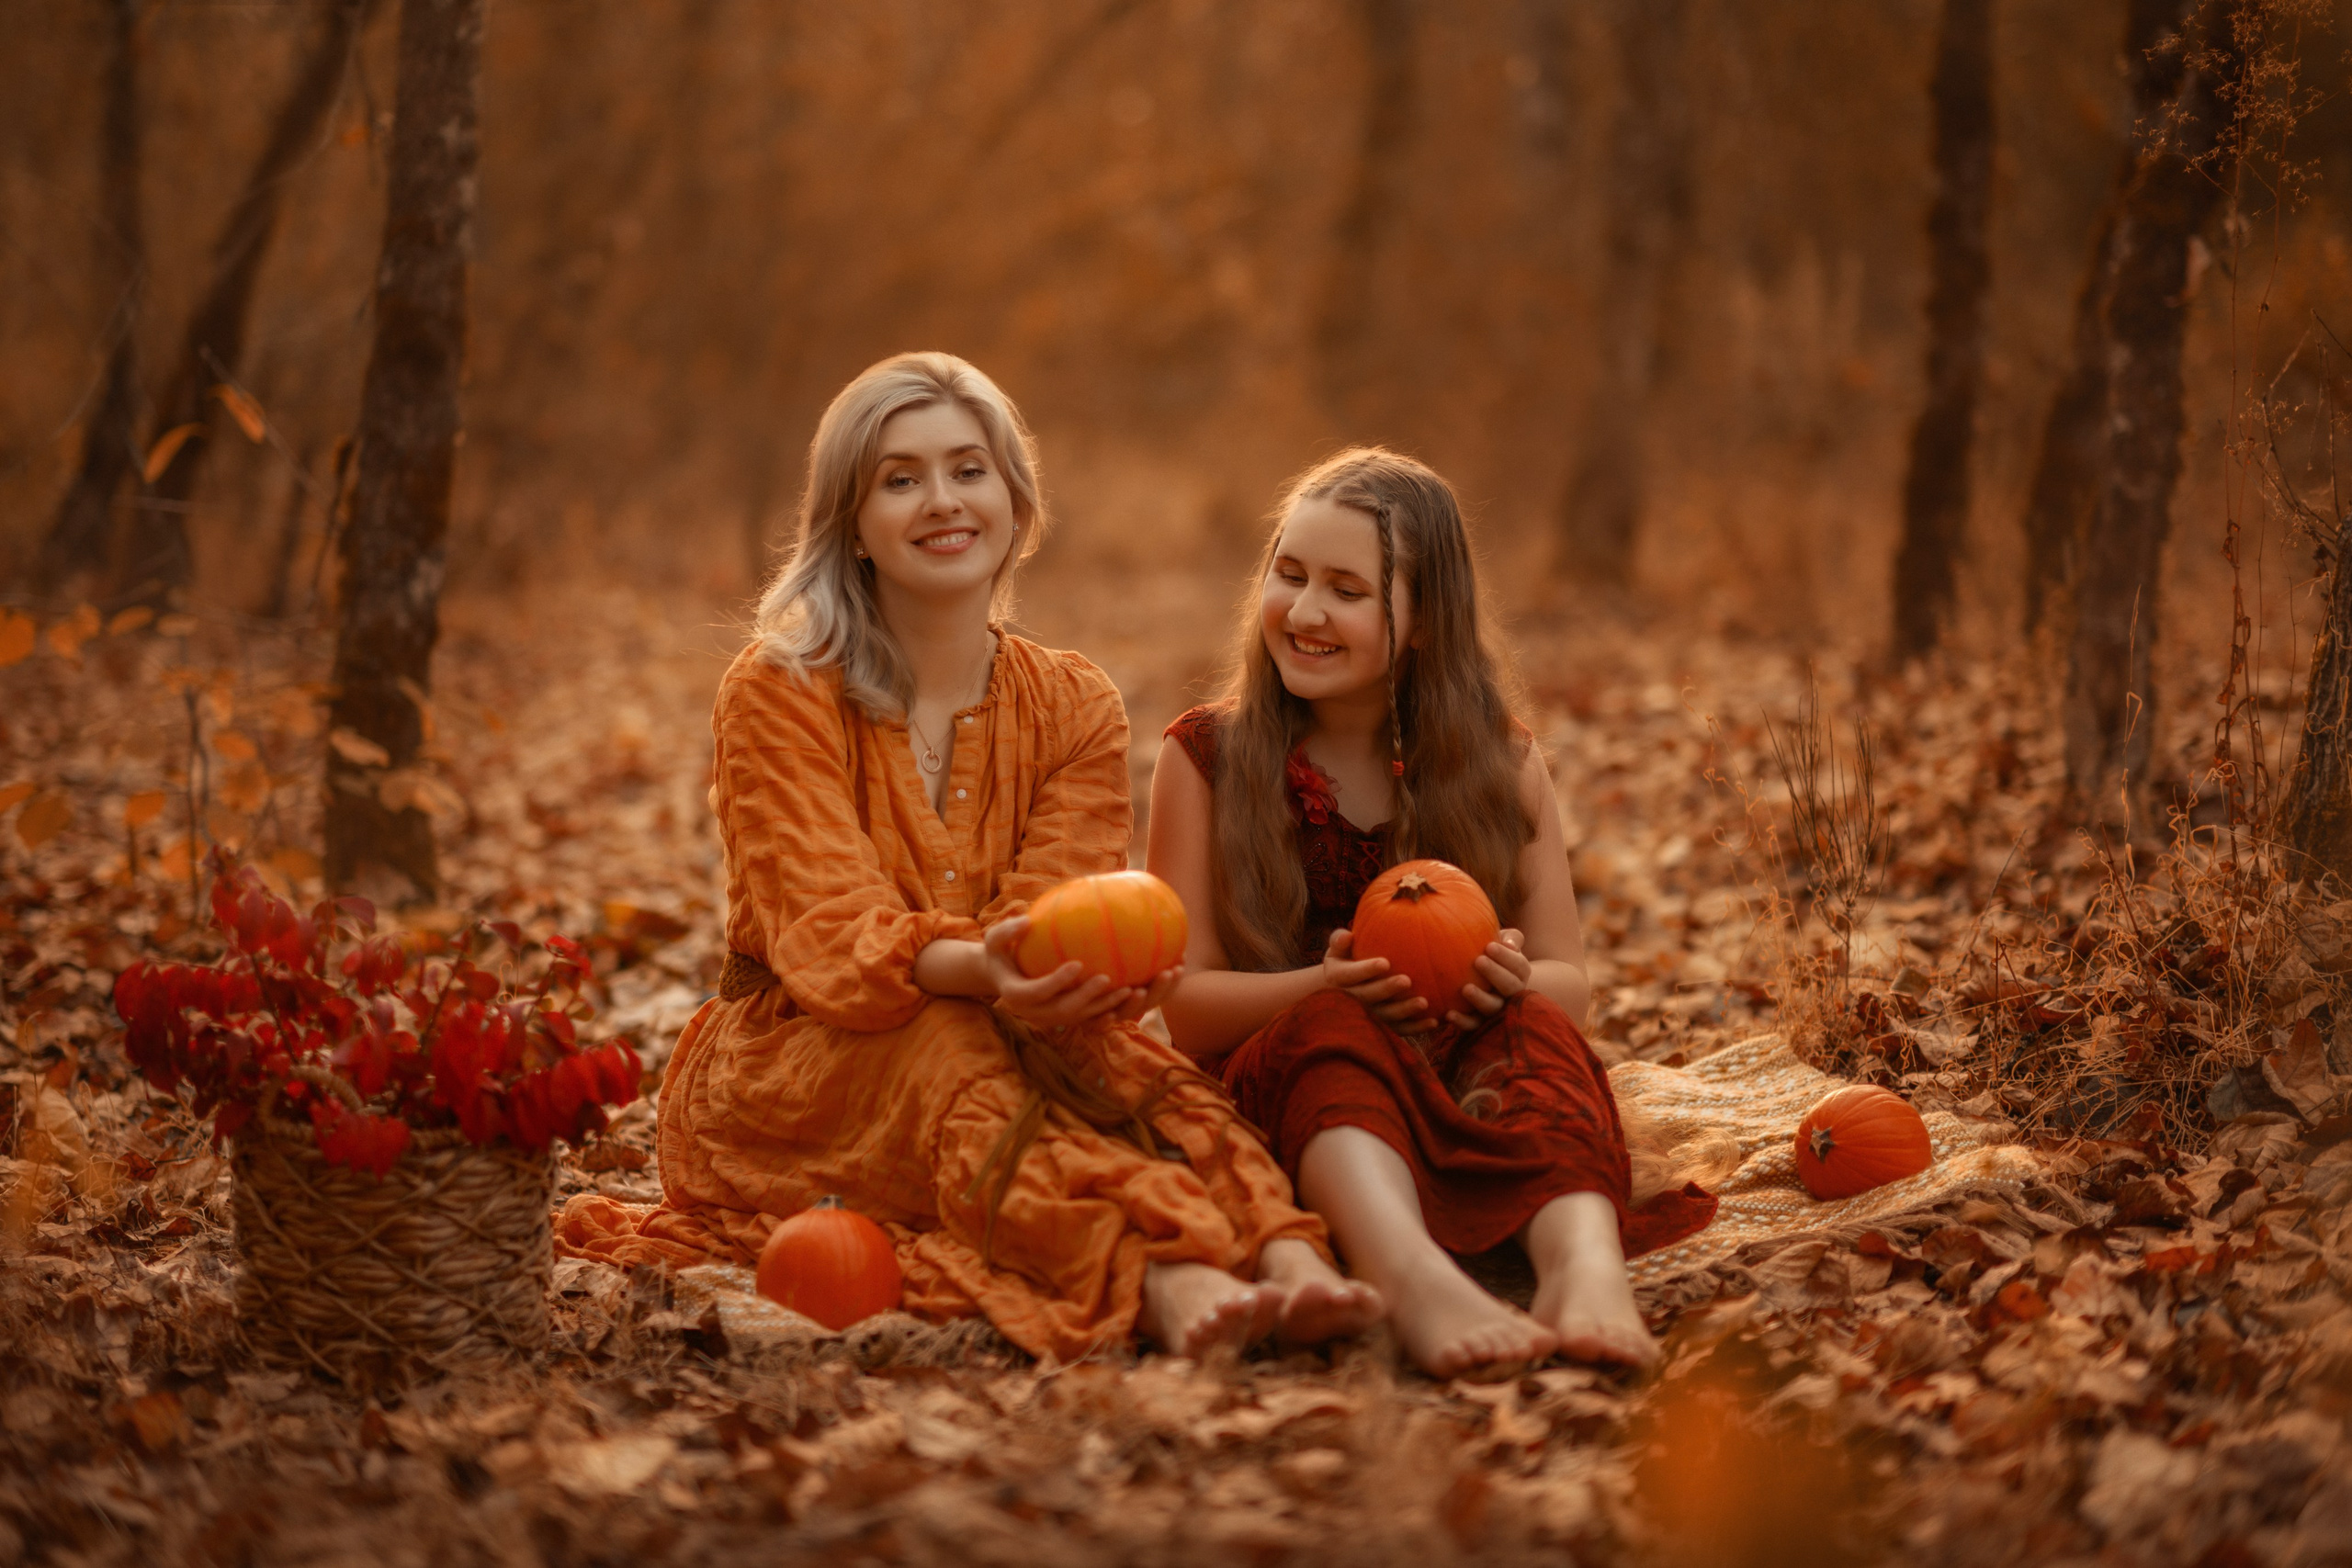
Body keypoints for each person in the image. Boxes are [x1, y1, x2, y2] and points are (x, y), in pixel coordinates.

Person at [556, 353, 1381, 1361]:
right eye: (899, 479)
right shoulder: (778, 690)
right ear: (849, 522)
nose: (940, 501)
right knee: (952, 1052)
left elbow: (1060, 915)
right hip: (805, 1054)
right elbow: (827, 935)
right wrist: (987, 969)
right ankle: (1162, 1276)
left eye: (967, 470)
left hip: (1017, 1026)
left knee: (1144, 1080)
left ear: (1014, 498)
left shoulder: (1076, 705)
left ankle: (1286, 1255)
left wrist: (1059, 975)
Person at [1147, 446, 1715, 1379]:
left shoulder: (1499, 761)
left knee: (1533, 1027)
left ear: (1420, 622)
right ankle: (1407, 1276)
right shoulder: (1206, 761)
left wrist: (1507, 983)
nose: (1306, 611)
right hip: (1291, 1091)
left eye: (1347, 589)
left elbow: (1571, 984)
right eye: (1288, 575)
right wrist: (1319, 987)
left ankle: (1581, 1267)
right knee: (1337, 1022)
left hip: (1459, 1067)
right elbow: (1182, 1006)